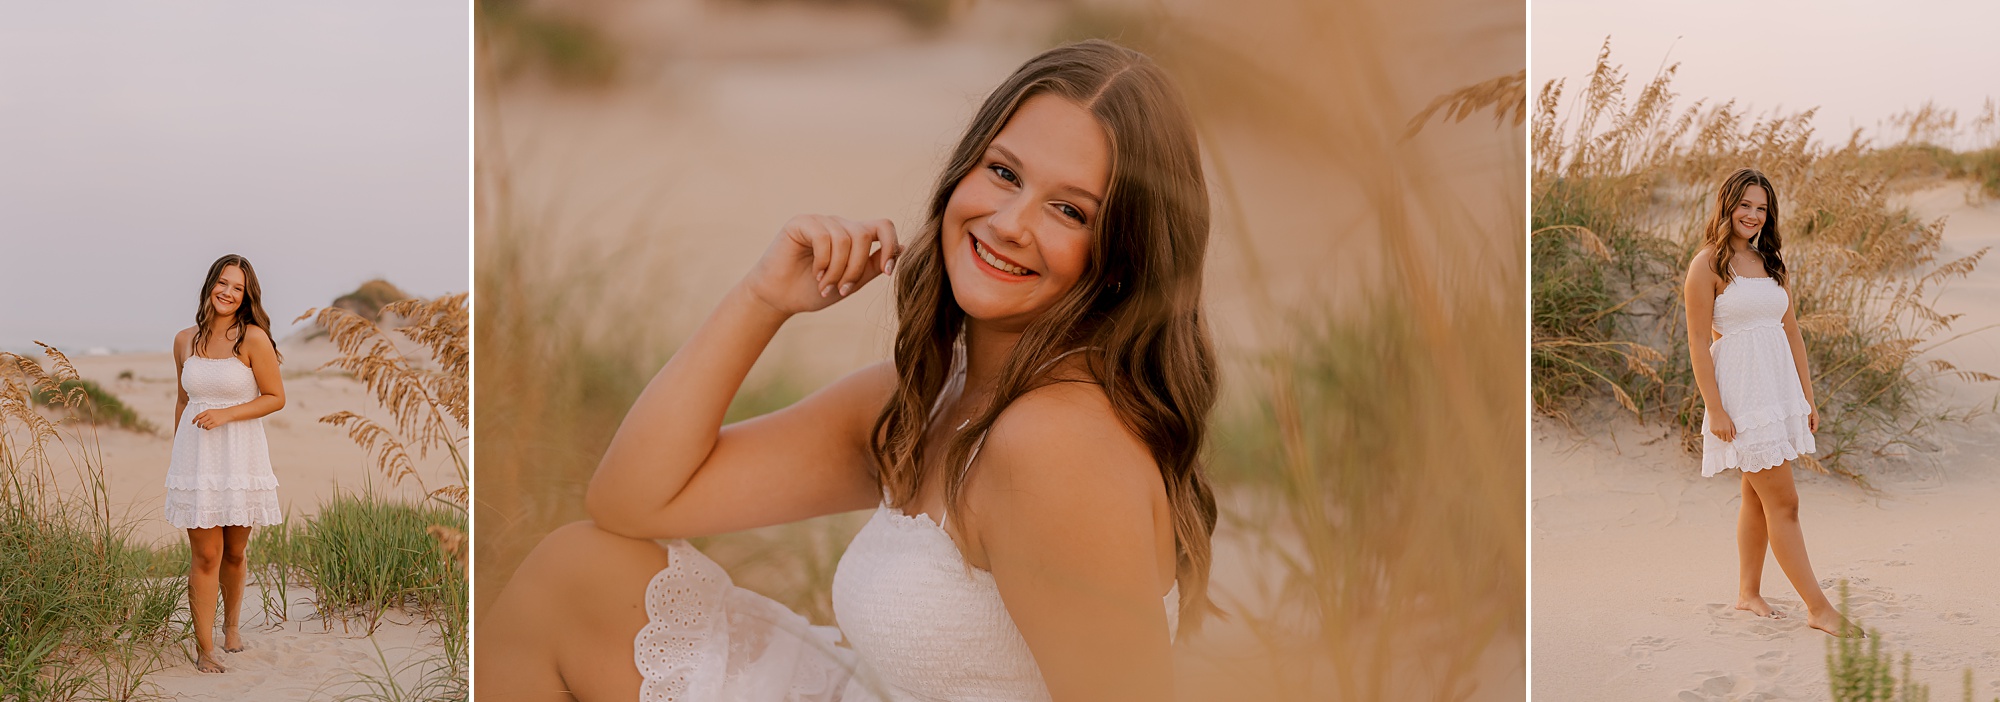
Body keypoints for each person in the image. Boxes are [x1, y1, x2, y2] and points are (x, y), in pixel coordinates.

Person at [481, 39, 1221, 701]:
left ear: (1123, 259)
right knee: (575, 573)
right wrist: (762, 299)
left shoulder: (1054, 447)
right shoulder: (930, 397)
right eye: (1003, 173)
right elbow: (633, 501)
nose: (1009, 223)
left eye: (1070, 211)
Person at [1683, 168, 1855, 638]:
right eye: (1745, 205)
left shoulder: (1771, 261)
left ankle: (1748, 593)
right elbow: (1699, 342)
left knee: (1755, 499)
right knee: (1785, 502)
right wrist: (1715, 408)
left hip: (1777, 393)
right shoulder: (1707, 266)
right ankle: (1818, 607)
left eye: (1761, 208)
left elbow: (1791, 331)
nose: (1753, 216)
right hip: (1742, 398)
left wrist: (1806, 396)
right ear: (1726, 205)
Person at [166, 253, 287, 672]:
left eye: (237, 287)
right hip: (196, 458)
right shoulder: (184, 340)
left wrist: (227, 413)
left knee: (235, 551)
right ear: (210, 285)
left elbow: (275, 397)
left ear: (245, 295)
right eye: (222, 283)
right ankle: (205, 649)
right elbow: (182, 401)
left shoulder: (253, 338)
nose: (228, 292)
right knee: (205, 556)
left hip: (241, 454)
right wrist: (177, 461)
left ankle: (231, 627)